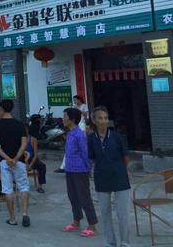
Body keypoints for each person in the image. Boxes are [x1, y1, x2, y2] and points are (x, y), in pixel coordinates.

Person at [88, 106, 131, 247]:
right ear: (94, 120)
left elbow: (126, 158)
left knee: (123, 214)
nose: (103, 121)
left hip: (120, 179)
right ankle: (111, 242)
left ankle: (125, 243)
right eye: (100, 118)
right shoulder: (91, 139)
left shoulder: (117, 137)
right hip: (101, 179)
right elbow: (92, 159)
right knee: (105, 214)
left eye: (106, 118)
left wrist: (121, 171)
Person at [0, 99, 31, 228]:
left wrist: (8, 158)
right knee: (23, 187)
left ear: (1, 109)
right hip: (19, 162)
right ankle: (24, 214)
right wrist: (16, 158)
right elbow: (24, 143)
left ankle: (12, 218)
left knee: (8, 189)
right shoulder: (20, 124)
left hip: (5, 162)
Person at [62, 107, 97, 237]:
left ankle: (92, 224)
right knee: (73, 196)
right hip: (70, 170)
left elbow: (85, 153)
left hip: (80, 170)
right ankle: (76, 221)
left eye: (65, 116)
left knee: (84, 197)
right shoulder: (70, 133)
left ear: (71, 119)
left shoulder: (79, 134)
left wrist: (88, 168)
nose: (63, 119)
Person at [56, 95, 89, 173]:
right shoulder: (70, 133)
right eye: (74, 100)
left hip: (81, 124)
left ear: (79, 100)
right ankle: (63, 166)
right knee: (69, 148)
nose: (74, 101)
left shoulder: (84, 106)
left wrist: (87, 167)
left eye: (75, 100)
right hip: (71, 168)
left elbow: (86, 116)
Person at [26, 116, 47, 194]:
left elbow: (35, 155)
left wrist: (30, 165)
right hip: (22, 159)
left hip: (32, 159)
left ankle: (40, 186)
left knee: (42, 166)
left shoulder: (33, 139)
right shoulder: (19, 139)